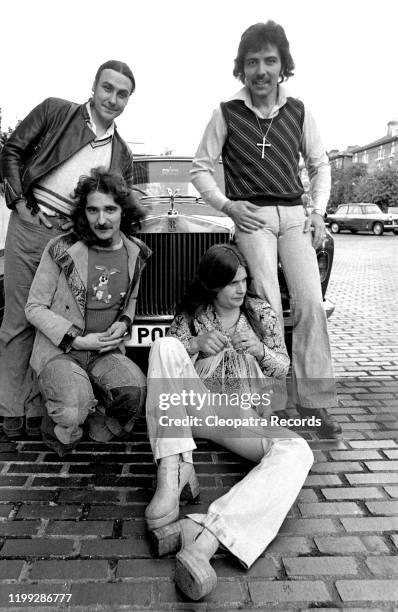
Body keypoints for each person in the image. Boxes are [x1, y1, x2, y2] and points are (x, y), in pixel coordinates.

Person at [190, 21, 341, 438]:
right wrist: (226, 205)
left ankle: (316, 402)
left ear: (282, 66)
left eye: (270, 61)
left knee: (310, 302)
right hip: (252, 217)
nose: (261, 70)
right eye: (253, 61)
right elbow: (200, 168)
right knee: (266, 308)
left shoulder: (299, 110)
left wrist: (318, 212)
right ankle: (273, 403)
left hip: (294, 215)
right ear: (242, 67)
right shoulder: (225, 112)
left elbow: (320, 164)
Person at [144, 244, 313, 600]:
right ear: (212, 285)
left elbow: (284, 371)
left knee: (297, 450)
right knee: (164, 346)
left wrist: (259, 350)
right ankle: (172, 477)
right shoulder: (193, 313)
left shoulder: (260, 313)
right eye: (231, 283)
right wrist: (194, 343)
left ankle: (207, 535)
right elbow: (167, 365)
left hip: (240, 414)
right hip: (197, 406)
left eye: (244, 281)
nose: (240, 289)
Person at [0, 60, 137, 438]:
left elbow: (116, 205)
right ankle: (12, 410)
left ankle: (48, 408)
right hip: (31, 226)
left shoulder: (121, 153)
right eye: (107, 88)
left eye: (122, 93)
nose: (112, 98)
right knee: (17, 318)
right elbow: (12, 151)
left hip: (72, 242)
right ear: (94, 87)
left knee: (56, 323)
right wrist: (20, 203)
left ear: (128, 100)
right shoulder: (55, 111)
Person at [24, 168, 151, 456]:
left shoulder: (137, 253)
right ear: (84, 212)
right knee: (71, 413)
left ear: (123, 210)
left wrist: (124, 321)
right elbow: (33, 307)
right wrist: (75, 340)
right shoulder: (61, 249)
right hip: (61, 351)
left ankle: (93, 417)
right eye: (93, 210)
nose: (101, 219)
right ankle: (60, 424)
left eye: (110, 209)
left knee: (135, 393)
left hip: (104, 352)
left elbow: (129, 300)